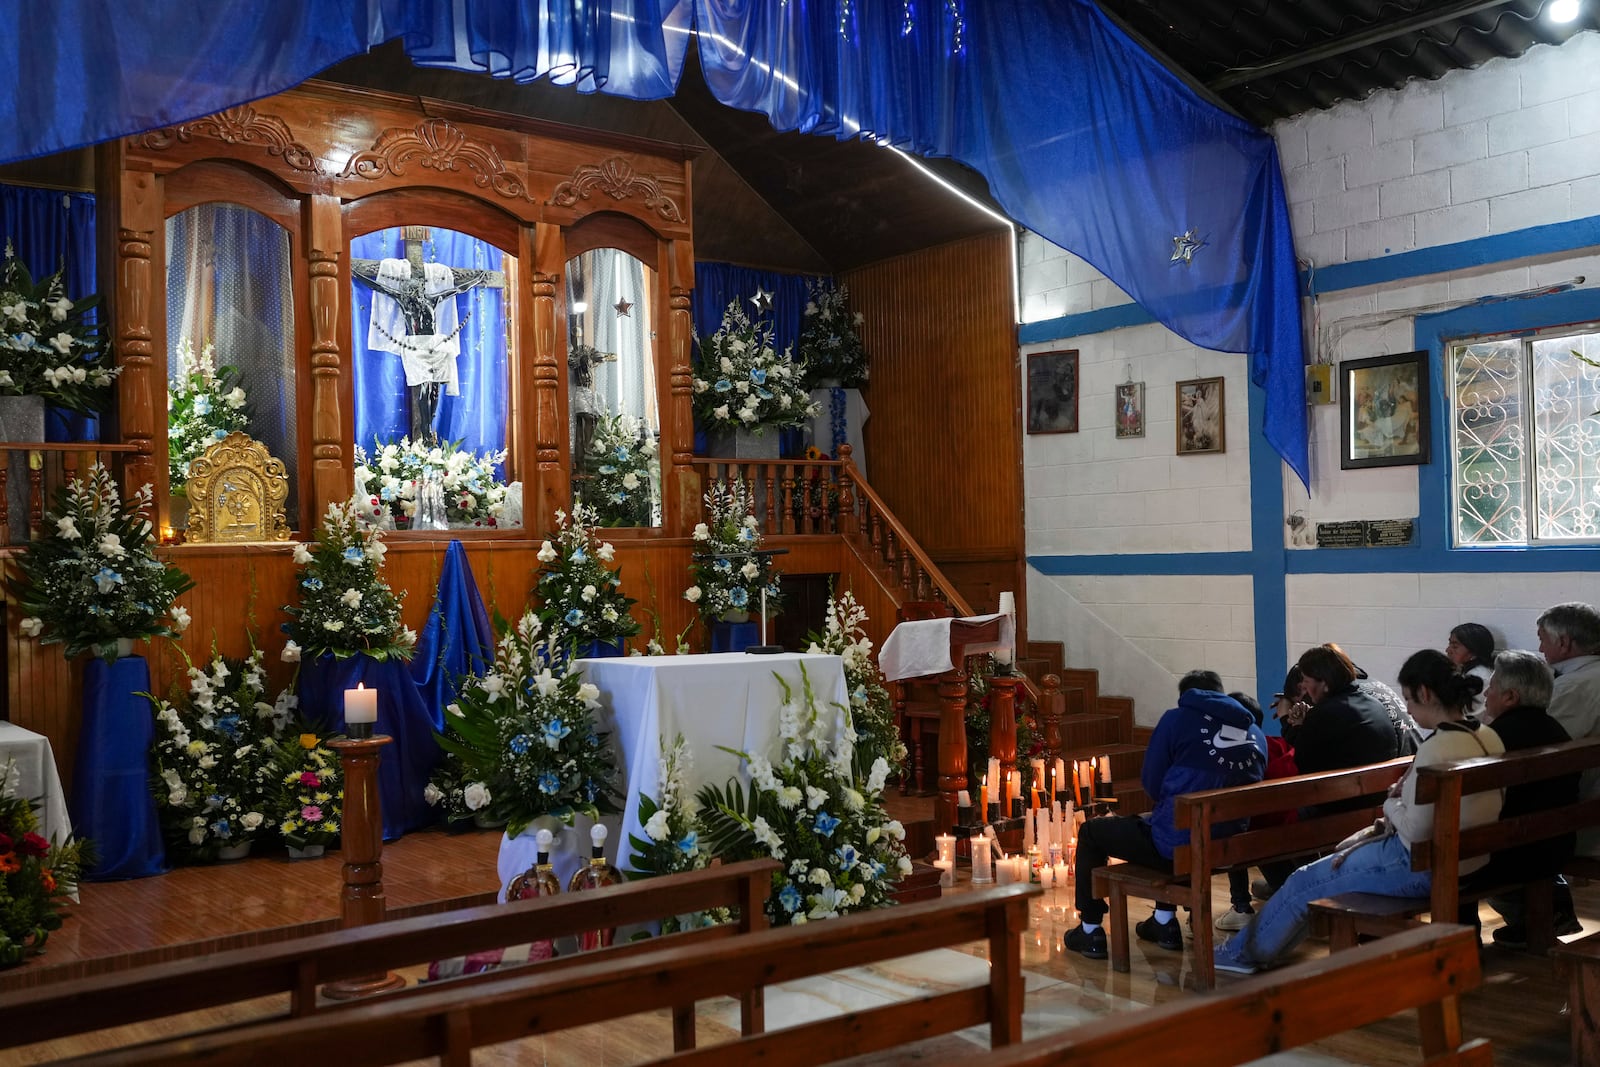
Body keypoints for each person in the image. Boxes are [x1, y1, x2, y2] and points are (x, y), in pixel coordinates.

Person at [1214, 649, 1504, 975]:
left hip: (1420, 864)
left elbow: (1414, 829)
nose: (1406, 707)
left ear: (1425, 694)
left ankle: (1242, 955)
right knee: (1317, 874)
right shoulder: (1488, 736)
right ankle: (1254, 949)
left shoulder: (1437, 749)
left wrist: (1392, 802)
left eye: (1409, 699)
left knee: (1303, 881)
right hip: (1472, 858)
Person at [1064, 670, 1266, 960]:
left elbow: (1152, 783)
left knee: (1092, 832)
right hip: (1228, 845)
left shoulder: (1177, 719)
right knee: (1169, 824)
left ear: (1187, 697)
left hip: (1181, 845)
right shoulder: (1255, 732)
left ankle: (1090, 928)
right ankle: (1163, 923)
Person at [1472, 649, 1581, 946]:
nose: (1485, 692)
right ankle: (1547, 915)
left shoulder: (1495, 739)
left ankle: (1461, 939)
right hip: (1554, 847)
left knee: (1454, 844)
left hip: (1507, 855)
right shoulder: (1556, 731)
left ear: (1510, 697)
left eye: (1492, 687)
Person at [1217, 689, 1298, 932]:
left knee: (1230, 821)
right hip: (1293, 828)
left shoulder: (1233, 756)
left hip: (1254, 837)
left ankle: (1241, 906)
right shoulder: (1281, 745)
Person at [1446, 622, 1497, 716]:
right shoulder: (1470, 671)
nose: (1448, 650)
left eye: (1455, 646)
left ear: (1473, 651)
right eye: (1449, 644)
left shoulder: (1479, 677)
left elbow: (1464, 714)